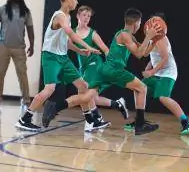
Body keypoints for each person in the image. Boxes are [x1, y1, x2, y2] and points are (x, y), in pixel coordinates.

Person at [42, 8, 162, 136]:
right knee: (142, 88)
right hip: (115, 70)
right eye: (140, 22)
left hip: (106, 70)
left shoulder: (128, 35)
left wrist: (153, 40)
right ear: (136, 22)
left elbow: (143, 52)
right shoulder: (124, 35)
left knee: (88, 97)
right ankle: (139, 124)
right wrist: (148, 36)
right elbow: (138, 54)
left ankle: (55, 107)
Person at [15, 0, 108, 131]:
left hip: (63, 58)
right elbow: (71, 33)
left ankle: (90, 121)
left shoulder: (68, 17)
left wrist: (80, 50)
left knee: (83, 86)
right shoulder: (60, 16)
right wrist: (89, 46)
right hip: (51, 57)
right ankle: (25, 118)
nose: (77, 2)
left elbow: (67, 41)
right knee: (49, 89)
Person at [124, 13, 189, 135]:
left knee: (163, 97)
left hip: (168, 73)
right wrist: (148, 69)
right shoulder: (152, 38)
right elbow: (149, 56)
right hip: (158, 72)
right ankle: (139, 121)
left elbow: (165, 58)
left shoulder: (161, 38)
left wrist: (151, 72)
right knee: (138, 88)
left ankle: (186, 122)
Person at [72, 5, 129, 131]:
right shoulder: (72, 32)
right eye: (84, 15)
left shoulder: (92, 34)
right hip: (84, 67)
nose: (87, 18)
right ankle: (117, 104)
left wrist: (112, 64)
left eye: (89, 16)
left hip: (95, 64)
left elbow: (105, 49)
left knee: (84, 92)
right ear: (77, 16)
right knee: (93, 98)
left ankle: (94, 120)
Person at [0, 0, 34, 107]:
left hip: (19, 48)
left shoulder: (26, 11)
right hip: (4, 47)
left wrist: (32, 45)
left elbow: (30, 29)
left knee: (22, 73)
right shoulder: (2, 9)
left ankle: (26, 99)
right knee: (0, 72)